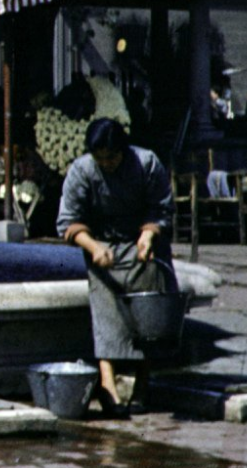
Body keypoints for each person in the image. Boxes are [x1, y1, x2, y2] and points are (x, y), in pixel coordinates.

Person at [57, 118, 177, 416]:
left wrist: (148, 235)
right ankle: (108, 385)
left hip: (143, 245)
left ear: (123, 151)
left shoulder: (146, 163)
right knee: (107, 313)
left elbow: (161, 207)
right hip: (103, 248)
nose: (107, 164)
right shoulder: (82, 170)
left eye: (112, 157)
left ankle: (142, 384)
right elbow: (68, 221)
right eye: (101, 159)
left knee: (146, 315)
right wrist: (94, 246)